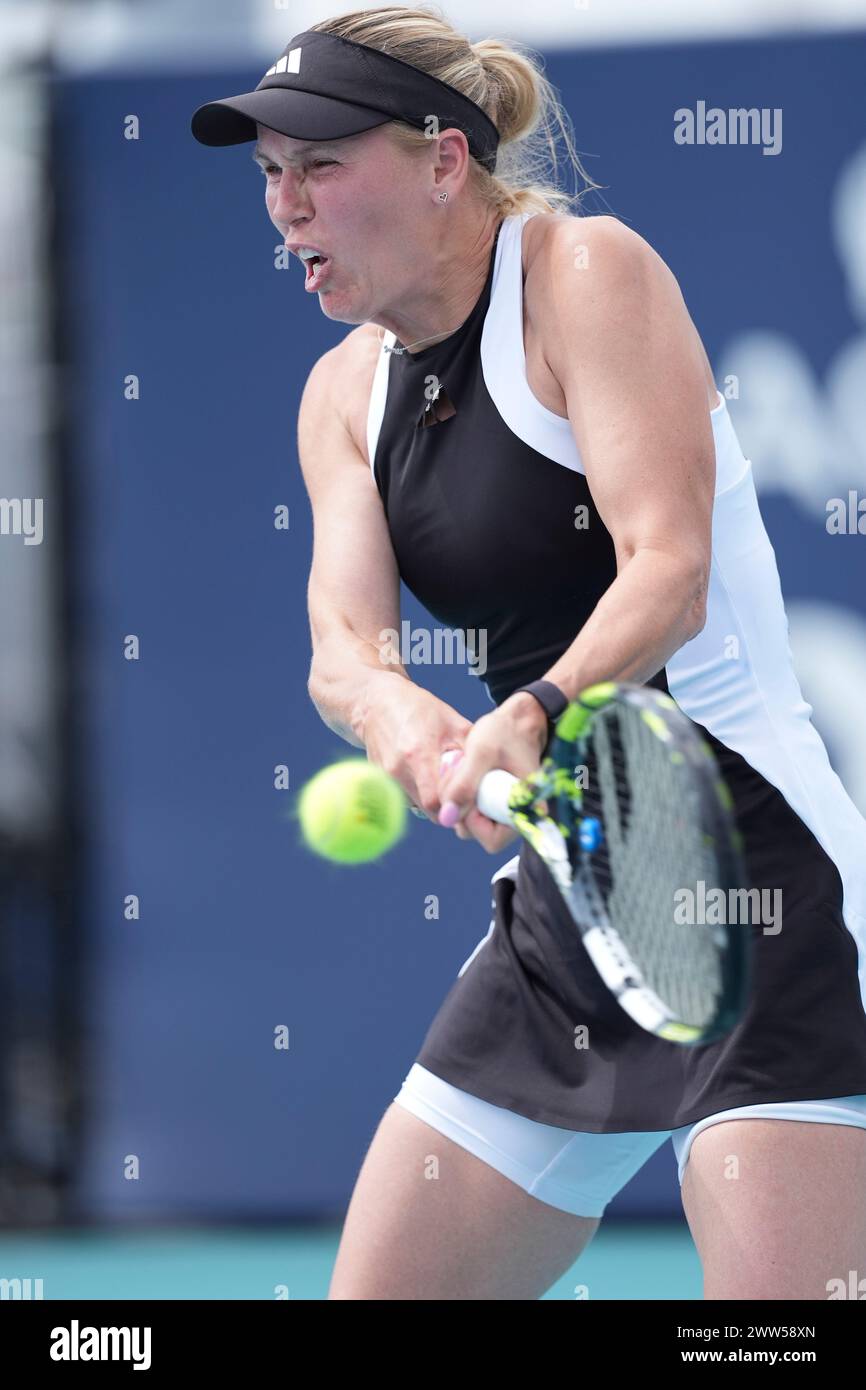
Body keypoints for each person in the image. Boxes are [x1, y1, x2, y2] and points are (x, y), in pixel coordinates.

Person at [191, 6, 866, 1300]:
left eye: (321, 165)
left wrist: (535, 707)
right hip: (574, 892)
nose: (286, 207)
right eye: (270, 174)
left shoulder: (583, 275)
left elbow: (666, 565)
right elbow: (345, 648)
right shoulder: (340, 395)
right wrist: (407, 725)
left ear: (446, 160)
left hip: (751, 878)